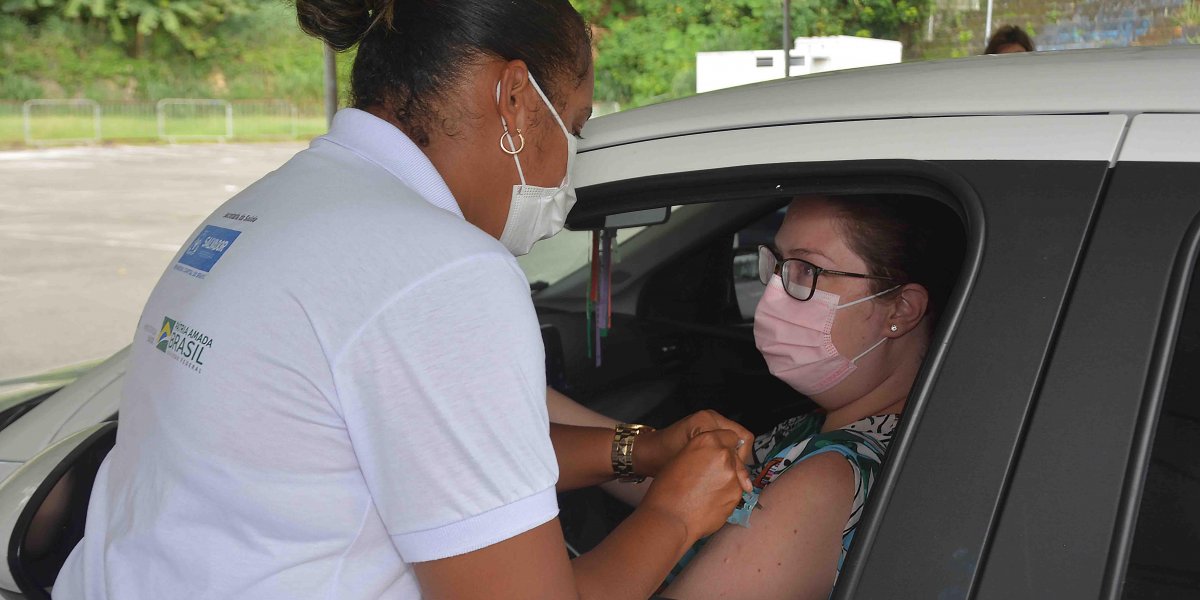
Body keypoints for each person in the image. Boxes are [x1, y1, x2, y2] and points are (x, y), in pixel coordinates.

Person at [53, 2, 754, 599]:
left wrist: (639, 450)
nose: (571, 159)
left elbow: (431, 447)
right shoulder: (441, 271)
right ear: (513, 99)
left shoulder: (282, 203)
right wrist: (674, 515)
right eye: (573, 124)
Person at [664, 195, 963, 599]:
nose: (774, 291)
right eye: (778, 263)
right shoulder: (826, 427)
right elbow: (689, 482)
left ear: (901, 311)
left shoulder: (827, 478)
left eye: (807, 269)